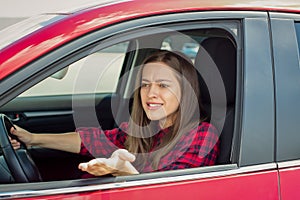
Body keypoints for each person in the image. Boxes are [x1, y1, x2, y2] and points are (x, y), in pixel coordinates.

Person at [10, 50, 220, 177]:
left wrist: (123, 171)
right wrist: (32, 138)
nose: (150, 93)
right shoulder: (145, 129)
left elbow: (174, 191)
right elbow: (91, 140)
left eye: (163, 85)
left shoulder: (201, 134)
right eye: (145, 85)